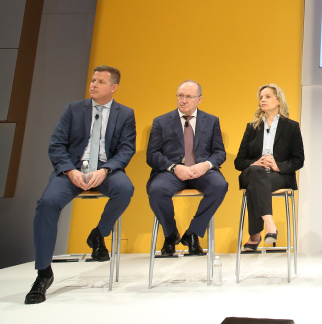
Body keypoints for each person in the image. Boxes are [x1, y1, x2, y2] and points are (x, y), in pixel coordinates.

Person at [26, 65, 136, 304]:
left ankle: (99, 234)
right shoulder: (73, 109)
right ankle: (43, 273)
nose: (93, 85)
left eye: (100, 82)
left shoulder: (125, 114)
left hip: (105, 170)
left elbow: (127, 149)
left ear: (114, 87)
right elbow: (56, 145)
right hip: (72, 170)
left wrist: (105, 170)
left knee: (125, 189)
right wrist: (70, 171)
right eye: (93, 80)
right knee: (47, 203)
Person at [146, 80, 228, 257]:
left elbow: (219, 152)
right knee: (157, 189)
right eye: (180, 96)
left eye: (189, 97)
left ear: (199, 99)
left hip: (201, 171)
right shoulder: (161, 122)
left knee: (219, 185)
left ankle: (193, 233)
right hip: (171, 172)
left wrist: (206, 165)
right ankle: (170, 234)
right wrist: (174, 167)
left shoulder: (211, 121)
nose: (183, 100)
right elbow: (152, 155)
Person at [234, 84, 305, 250]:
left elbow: (298, 160)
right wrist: (255, 163)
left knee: (255, 184)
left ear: (278, 100)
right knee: (255, 172)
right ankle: (269, 223)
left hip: (277, 175)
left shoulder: (291, 127)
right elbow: (239, 162)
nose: (262, 100)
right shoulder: (252, 127)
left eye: (267, 97)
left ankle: (255, 235)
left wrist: (277, 165)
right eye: (261, 98)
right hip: (253, 172)